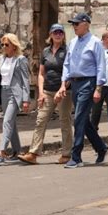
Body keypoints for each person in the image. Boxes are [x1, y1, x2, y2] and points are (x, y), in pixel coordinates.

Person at [55, 12, 108, 168]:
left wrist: (98, 88)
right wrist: (63, 85)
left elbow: (101, 66)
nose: (74, 27)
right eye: (73, 24)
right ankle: (101, 147)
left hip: (89, 83)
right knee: (83, 121)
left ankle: (76, 156)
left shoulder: (95, 43)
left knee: (78, 118)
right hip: (75, 83)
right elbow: (67, 65)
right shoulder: (72, 43)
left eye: (76, 24)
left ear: (86, 24)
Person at [18, 24, 73, 165]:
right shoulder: (46, 52)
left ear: (63, 35)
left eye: (61, 32)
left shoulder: (67, 51)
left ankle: (67, 154)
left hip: (64, 91)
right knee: (40, 120)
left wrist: (62, 89)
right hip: (48, 91)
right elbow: (41, 74)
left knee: (65, 121)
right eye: (56, 32)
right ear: (51, 34)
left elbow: (69, 73)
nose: (58, 35)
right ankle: (33, 153)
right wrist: (41, 93)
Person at [0, 33, 30, 166]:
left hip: (15, 94)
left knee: (7, 121)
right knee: (11, 123)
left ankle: (1, 153)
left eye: (6, 44)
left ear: (14, 46)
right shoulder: (1, 59)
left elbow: (25, 81)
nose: (4, 47)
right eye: (2, 44)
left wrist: (26, 99)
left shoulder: (21, 60)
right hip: (3, 93)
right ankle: (16, 152)